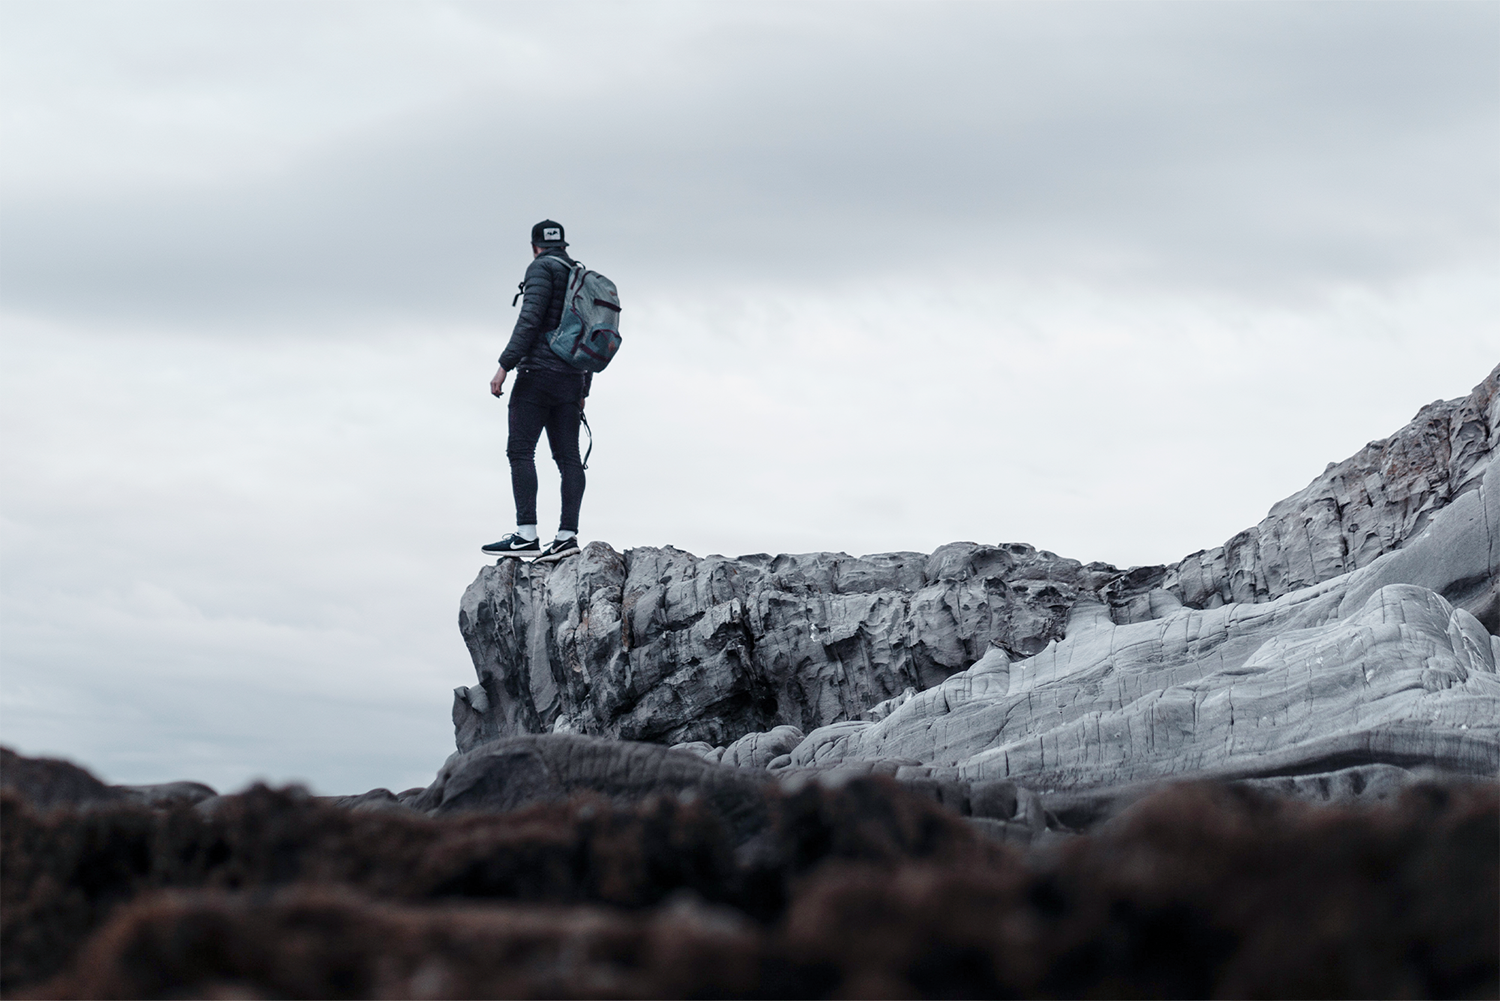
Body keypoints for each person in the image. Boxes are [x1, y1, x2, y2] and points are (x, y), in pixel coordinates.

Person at [482, 220, 591, 562]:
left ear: (534, 246)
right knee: (569, 459)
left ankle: (526, 534)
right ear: (563, 245)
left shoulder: (540, 269)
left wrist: (504, 365)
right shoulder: (578, 276)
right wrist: (584, 385)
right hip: (572, 378)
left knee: (520, 451)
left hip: (537, 374)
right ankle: (567, 536)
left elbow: (528, 321)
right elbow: (588, 333)